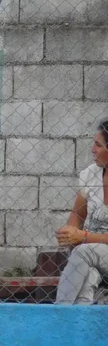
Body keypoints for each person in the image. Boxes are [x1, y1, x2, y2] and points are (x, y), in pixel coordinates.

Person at [55, 121, 108, 304]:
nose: (93, 149)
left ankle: (59, 313)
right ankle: (76, 326)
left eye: (98, 145)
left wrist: (82, 236)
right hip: (94, 253)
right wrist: (70, 232)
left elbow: (84, 241)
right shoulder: (91, 174)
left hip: (91, 249)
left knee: (84, 252)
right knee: (88, 278)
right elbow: (78, 214)